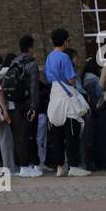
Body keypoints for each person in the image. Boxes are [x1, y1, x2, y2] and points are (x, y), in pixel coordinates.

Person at [42, 29, 89, 177]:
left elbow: (48, 77)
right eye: (68, 40)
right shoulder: (64, 57)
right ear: (64, 41)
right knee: (71, 133)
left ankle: (59, 167)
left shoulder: (49, 57)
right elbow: (70, 79)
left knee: (57, 134)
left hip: (54, 94)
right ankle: (73, 166)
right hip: (66, 96)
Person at [5, 35, 43, 178]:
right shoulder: (31, 63)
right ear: (30, 48)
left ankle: (30, 164)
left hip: (16, 103)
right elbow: (34, 87)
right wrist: (34, 106)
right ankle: (26, 166)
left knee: (21, 135)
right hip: (28, 103)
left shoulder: (15, 62)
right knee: (29, 135)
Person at [79, 56, 105, 172]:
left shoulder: (83, 77)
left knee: (89, 138)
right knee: (100, 137)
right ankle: (101, 162)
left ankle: (91, 161)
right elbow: (101, 94)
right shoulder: (95, 78)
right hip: (98, 110)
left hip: (88, 110)